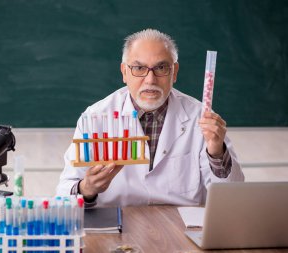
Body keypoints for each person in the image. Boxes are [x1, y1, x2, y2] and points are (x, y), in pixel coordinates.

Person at [56, 28, 244, 207]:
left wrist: (217, 152)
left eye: (161, 67)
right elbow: (64, 195)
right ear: (124, 72)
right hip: (117, 230)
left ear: (175, 72)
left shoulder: (200, 117)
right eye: (138, 68)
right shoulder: (95, 118)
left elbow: (232, 198)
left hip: (181, 230)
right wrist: (87, 189)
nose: (150, 80)